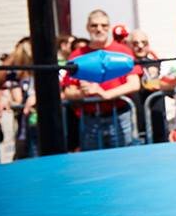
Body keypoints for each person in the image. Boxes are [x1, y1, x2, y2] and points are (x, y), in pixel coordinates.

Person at [61, 9, 140, 151]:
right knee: (94, 165)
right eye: (94, 25)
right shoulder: (77, 55)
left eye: (104, 25)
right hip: (90, 120)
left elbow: (134, 84)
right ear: (87, 27)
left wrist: (106, 94)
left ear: (109, 27)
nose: (99, 29)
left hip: (119, 116)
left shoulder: (123, 51)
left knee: (124, 160)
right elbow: (68, 91)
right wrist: (83, 92)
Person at [128, 29, 168, 143]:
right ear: (129, 45)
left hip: (157, 119)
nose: (140, 46)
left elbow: (168, 83)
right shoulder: (125, 65)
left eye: (144, 43)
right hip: (134, 121)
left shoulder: (158, 63)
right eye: (135, 43)